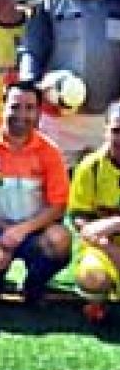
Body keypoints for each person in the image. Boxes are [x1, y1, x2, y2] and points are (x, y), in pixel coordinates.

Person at [19, 0, 120, 168]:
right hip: (60, 120)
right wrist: (30, 86)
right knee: (55, 184)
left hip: (108, 119)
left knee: (107, 185)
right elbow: (32, 50)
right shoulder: (50, 2)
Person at [0, 81, 71, 304]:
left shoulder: (50, 151)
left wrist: (22, 229)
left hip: (35, 231)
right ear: (3, 107)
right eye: (15, 106)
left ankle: (34, 285)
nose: (21, 114)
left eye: (29, 108)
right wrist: (3, 228)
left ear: (38, 112)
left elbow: (58, 205)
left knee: (60, 240)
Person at [67, 101, 120, 323]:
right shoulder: (91, 166)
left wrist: (113, 223)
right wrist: (110, 249)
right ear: (105, 130)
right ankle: (98, 302)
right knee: (92, 276)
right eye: (117, 130)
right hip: (101, 248)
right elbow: (81, 221)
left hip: (103, 234)